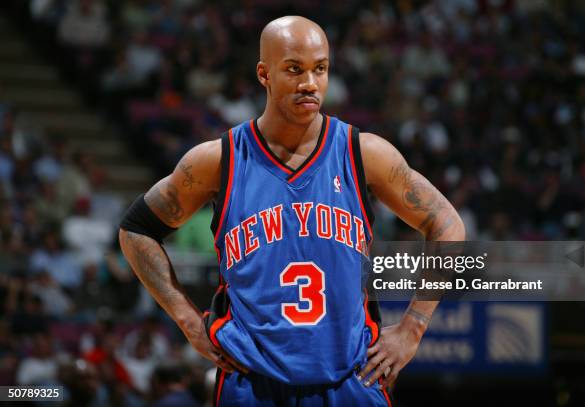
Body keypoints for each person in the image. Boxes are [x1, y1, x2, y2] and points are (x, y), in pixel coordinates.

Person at [119, 16, 465, 406]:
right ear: (264, 74)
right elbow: (136, 230)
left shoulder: (363, 153)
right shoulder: (219, 160)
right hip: (251, 380)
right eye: (294, 69)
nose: (310, 83)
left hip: (351, 377)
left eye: (320, 69)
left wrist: (413, 326)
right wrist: (186, 319)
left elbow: (448, 223)